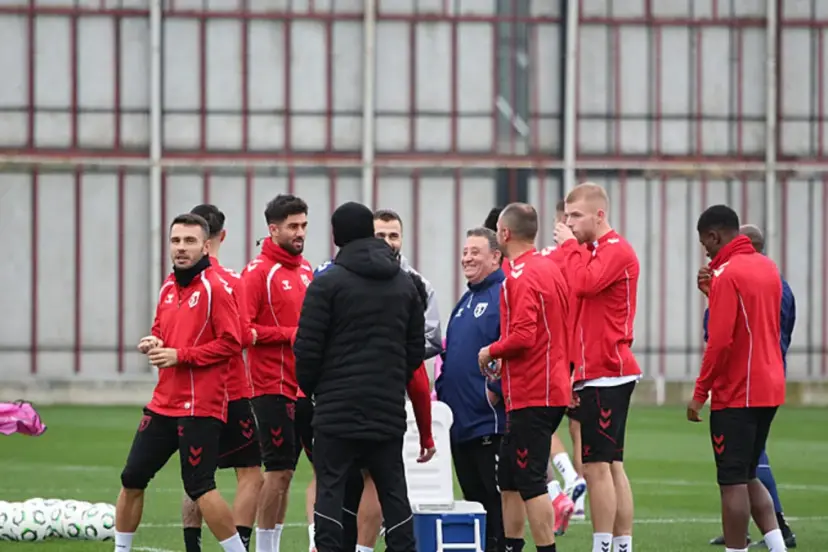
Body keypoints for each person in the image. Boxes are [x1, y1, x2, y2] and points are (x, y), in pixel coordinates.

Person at [294, 201, 425, 552]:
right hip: (387, 407)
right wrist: (392, 379)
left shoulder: (326, 284)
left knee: (331, 487)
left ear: (336, 236)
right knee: (393, 489)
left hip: (336, 408)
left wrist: (317, 389)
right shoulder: (405, 284)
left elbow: (306, 349)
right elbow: (416, 348)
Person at [115, 213, 246, 552]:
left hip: (200, 405)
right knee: (132, 478)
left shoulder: (216, 289)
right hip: (163, 403)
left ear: (206, 247)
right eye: (176, 241)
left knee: (201, 486)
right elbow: (162, 329)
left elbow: (233, 343)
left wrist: (180, 355)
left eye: (189, 241)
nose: (181, 248)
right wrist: (154, 341)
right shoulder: (168, 287)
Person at [689, 206, 789, 552]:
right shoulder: (768, 267)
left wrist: (699, 393)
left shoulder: (728, 274)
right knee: (748, 474)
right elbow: (754, 323)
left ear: (714, 236)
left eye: (705, 243)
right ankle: (777, 546)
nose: (705, 251)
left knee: (731, 482)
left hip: (738, 392)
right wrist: (712, 293)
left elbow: (720, 342)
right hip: (770, 387)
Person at [343, 208, 441, 552]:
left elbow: (431, 339)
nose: (387, 242)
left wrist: (391, 354)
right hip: (346, 395)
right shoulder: (343, 275)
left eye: (393, 235)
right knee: (345, 479)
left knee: (374, 476)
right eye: (380, 235)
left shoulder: (417, 284)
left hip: (387, 394)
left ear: (402, 239)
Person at [478, 202, 573, 552]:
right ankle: (511, 546)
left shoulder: (520, 275)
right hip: (544, 386)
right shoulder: (548, 268)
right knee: (509, 479)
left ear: (504, 233)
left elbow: (523, 335)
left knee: (530, 480)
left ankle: (546, 548)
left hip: (535, 391)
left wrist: (491, 351)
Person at [553, 182, 641, 552]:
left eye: (576, 215)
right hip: (594, 372)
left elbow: (585, 283)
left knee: (597, 467)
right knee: (609, 465)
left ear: (599, 215)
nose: (569, 223)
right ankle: (620, 545)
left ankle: (603, 545)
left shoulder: (615, 249)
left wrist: (568, 248)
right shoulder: (590, 251)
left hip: (608, 370)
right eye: (566, 216)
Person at [180, 205, 262, 552]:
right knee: (250, 472)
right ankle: (239, 545)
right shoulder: (230, 281)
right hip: (232, 388)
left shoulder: (178, 283)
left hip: (192, 392)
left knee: (197, 475)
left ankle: (193, 547)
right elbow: (240, 335)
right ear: (222, 236)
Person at [241, 194, 314, 552]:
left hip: (308, 387)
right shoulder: (257, 273)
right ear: (273, 229)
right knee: (279, 472)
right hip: (270, 386)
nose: (300, 232)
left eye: (303, 225)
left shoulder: (307, 270)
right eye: (292, 226)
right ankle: (265, 548)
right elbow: (242, 331)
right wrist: (290, 335)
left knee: (321, 471)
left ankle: (317, 543)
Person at [436, 227, 507, 552]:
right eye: (465, 252)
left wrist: (496, 387)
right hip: (460, 426)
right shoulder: (466, 301)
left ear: (496, 256)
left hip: (489, 424)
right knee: (475, 505)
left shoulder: (504, 294)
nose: (467, 258)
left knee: (497, 506)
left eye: (475, 252)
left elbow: (518, 343)